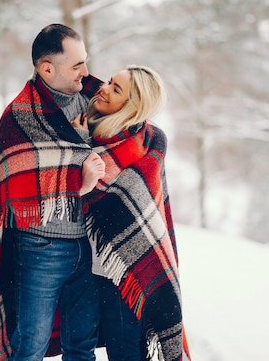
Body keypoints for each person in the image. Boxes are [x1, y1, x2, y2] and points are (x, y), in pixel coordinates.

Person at [0, 24, 106, 361]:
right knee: (28, 348)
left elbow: (125, 139)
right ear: (47, 68)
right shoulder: (19, 117)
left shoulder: (97, 102)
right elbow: (18, 188)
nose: (86, 71)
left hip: (89, 247)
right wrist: (77, 185)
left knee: (82, 348)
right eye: (76, 65)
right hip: (40, 249)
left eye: (85, 61)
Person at [72, 66, 191, 361]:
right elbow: (69, 181)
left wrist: (83, 146)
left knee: (126, 352)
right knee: (75, 350)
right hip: (80, 266)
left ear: (133, 106)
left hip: (126, 271)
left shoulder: (150, 142)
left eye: (116, 89)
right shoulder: (86, 126)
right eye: (110, 82)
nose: (104, 89)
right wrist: (79, 139)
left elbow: (144, 208)